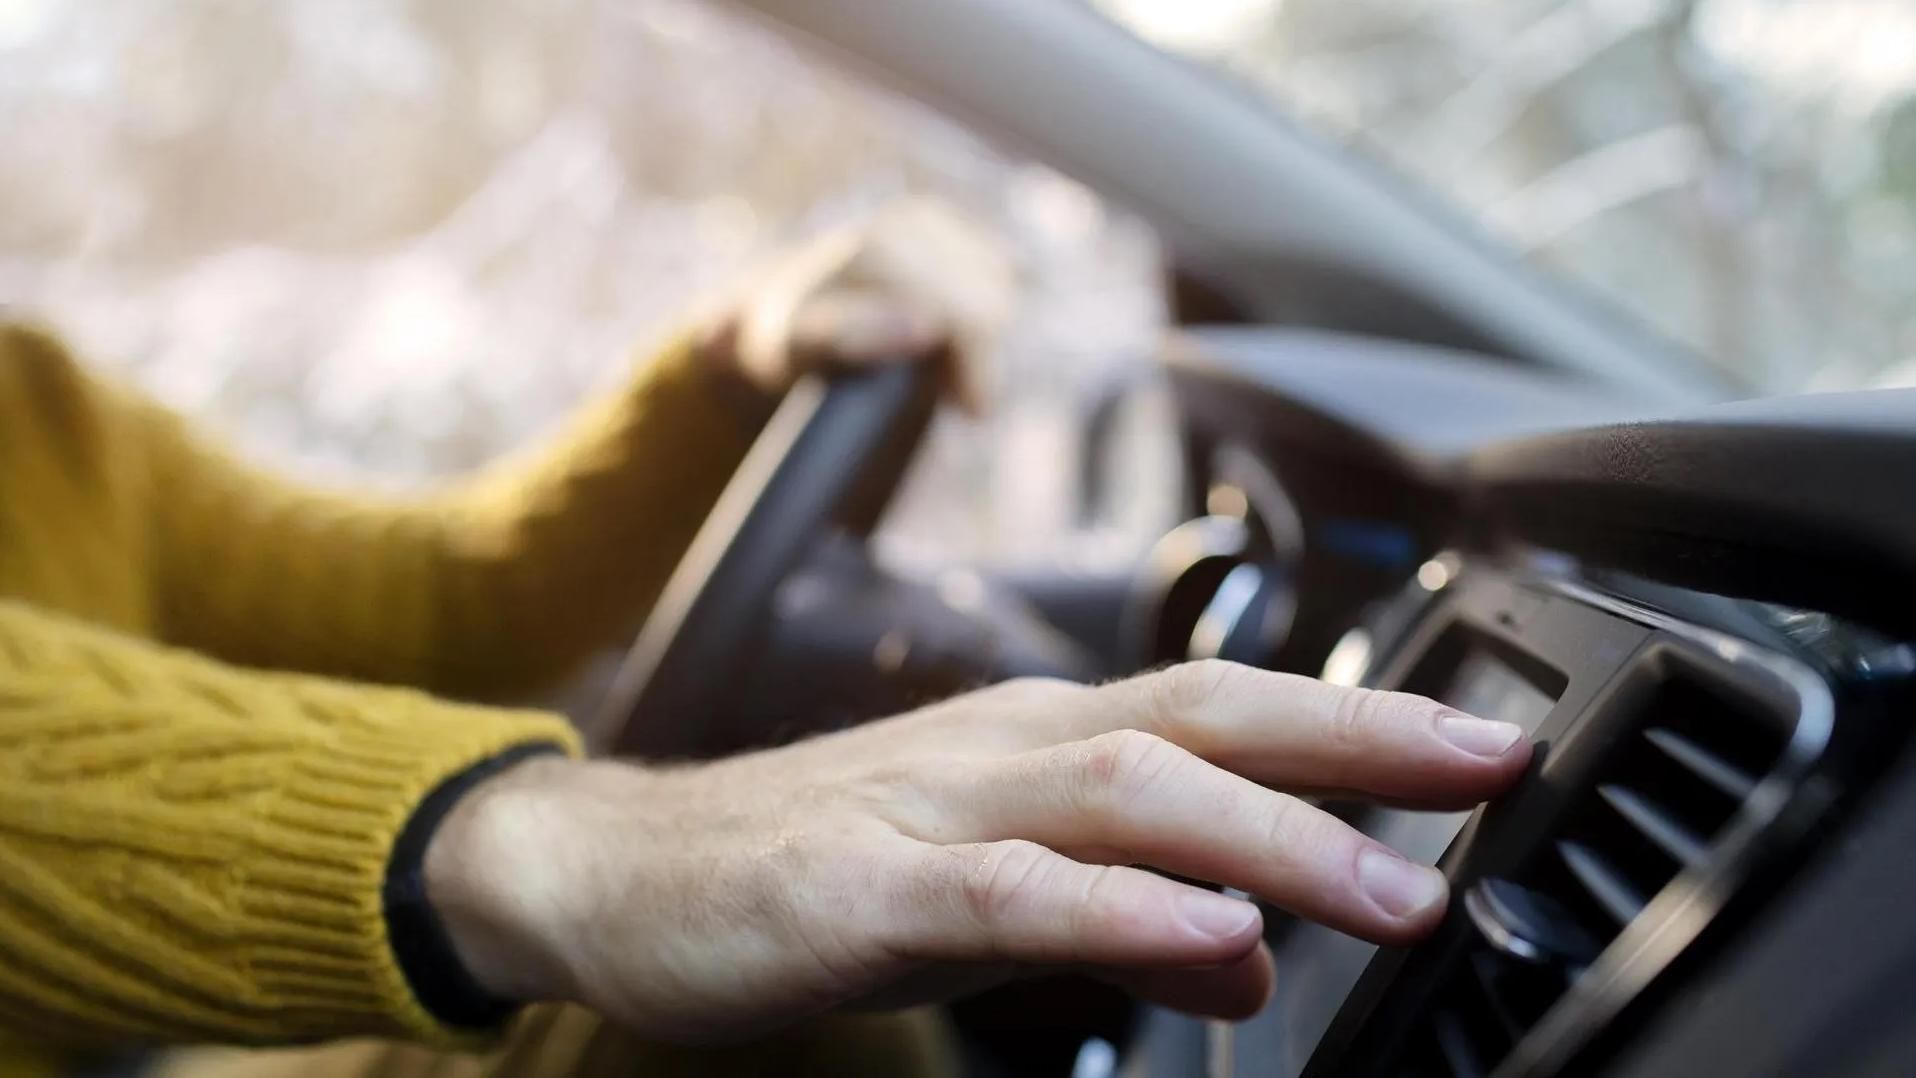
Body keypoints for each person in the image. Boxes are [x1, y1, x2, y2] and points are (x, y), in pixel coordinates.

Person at [0, 215, 1533, 1078]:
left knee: (798, 1024)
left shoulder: (33, 406)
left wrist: (729, 377)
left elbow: (435, 604)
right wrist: (568, 853)